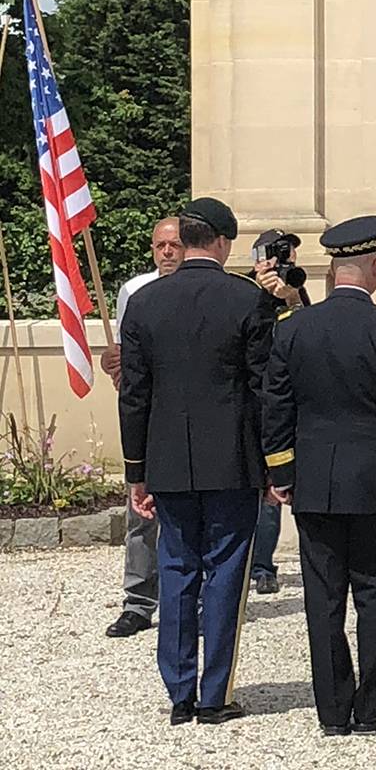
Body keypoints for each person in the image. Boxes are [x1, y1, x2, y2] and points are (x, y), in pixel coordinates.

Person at [261, 216, 376, 737]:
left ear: (333, 270)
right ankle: (373, 706)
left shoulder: (292, 327)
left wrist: (281, 473)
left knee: (324, 598)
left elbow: (276, 406)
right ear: (373, 266)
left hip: (313, 481)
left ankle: (332, 711)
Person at [118, 197, 272, 726]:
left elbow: (134, 395)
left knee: (177, 568)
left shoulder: (145, 303)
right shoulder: (248, 300)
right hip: (231, 459)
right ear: (224, 242)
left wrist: (135, 470)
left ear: (183, 242)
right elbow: (263, 390)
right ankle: (215, 692)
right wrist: (274, 463)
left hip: (166, 460)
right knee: (226, 571)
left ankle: (179, 692)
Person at [102, 216, 183, 639]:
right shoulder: (134, 291)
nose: (167, 252)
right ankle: (138, 601)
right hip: (147, 416)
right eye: (159, 246)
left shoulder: (201, 290)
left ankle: (191, 599)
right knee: (141, 511)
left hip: (189, 413)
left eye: (174, 244)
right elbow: (125, 353)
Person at [247, 228, 308, 597]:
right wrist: (261, 293)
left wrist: (292, 299)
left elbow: (308, 333)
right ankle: (257, 564)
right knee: (262, 485)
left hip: (291, 400)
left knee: (279, 485)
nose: (288, 261)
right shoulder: (243, 292)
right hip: (256, 400)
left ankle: (268, 564)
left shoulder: (294, 289)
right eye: (281, 254)